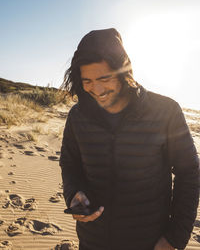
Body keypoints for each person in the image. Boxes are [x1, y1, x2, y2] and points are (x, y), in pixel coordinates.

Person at [60, 28, 199, 250]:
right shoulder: (78, 116)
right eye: (87, 80)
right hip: (92, 241)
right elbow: (69, 163)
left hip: (149, 243)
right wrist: (74, 192)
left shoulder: (165, 111)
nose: (96, 89)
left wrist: (174, 239)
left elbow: (189, 172)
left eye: (104, 78)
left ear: (124, 71)